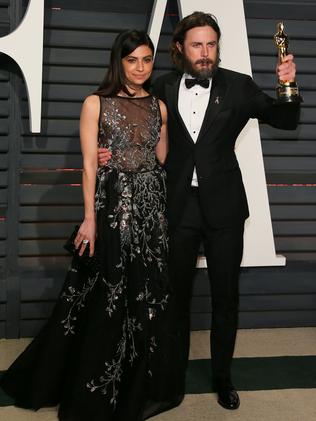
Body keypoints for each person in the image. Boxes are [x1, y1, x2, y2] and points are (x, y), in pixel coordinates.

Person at [99, 12, 300, 411]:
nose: (205, 53)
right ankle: (169, 387)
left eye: (211, 44)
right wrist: (109, 151)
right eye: (197, 45)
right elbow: (130, 120)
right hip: (177, 208)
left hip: (225, 209)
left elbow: (287, 120)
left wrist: (287, 82)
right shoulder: (161, 86)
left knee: (226, 299)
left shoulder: (239, 87)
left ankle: (223, 378)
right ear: (180, 48)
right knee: (175, 301)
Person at [0, 30, 182, 421]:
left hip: (151, 209)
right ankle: (99, 383)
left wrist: (138, 158)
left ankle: (142, 381)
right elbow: (87, 165)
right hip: (113, 205)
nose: (139, 68)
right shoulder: (95, 103)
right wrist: (89, 219)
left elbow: (160, 158)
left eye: (147, 60)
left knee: (147, 293)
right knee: (110, 291)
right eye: (132, 60)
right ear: (119, 61)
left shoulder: (160, 108)